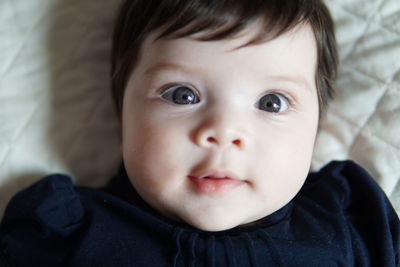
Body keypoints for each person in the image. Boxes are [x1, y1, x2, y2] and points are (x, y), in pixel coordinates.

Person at [1, 0, 399, 266]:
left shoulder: (350, 221)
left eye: (272, 103)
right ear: (121, 107)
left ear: (317, 124)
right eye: (182, 94)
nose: (223, 132)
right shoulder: (63, 231)